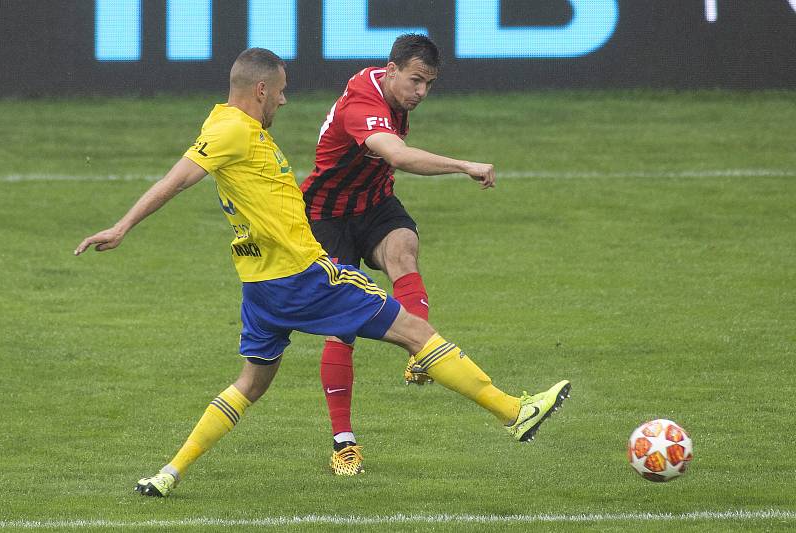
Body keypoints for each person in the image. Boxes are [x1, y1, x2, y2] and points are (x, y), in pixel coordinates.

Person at [74, 48, 570, 498]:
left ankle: (168, 473)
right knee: (415, 330)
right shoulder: (232, 131)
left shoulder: (222, 124)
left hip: (260, 288)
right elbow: (176, 180)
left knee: (250, 383)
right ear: (262, 90)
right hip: (302, 276)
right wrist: (123, 225)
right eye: (283, 91)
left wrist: (123, 226)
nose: (285, 103)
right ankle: (514, 412)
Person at [301, 33, 499, 475]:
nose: (421, 93)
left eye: (428, 84)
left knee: (405, 249)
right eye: (415, 81)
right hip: (325, 215)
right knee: (342, 326)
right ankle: (343, 442)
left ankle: (419, 354)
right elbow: (399, 155)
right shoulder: (361, 102)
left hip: (372, 202)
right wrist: (464, 165)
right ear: (391, 71)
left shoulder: (394, 95)